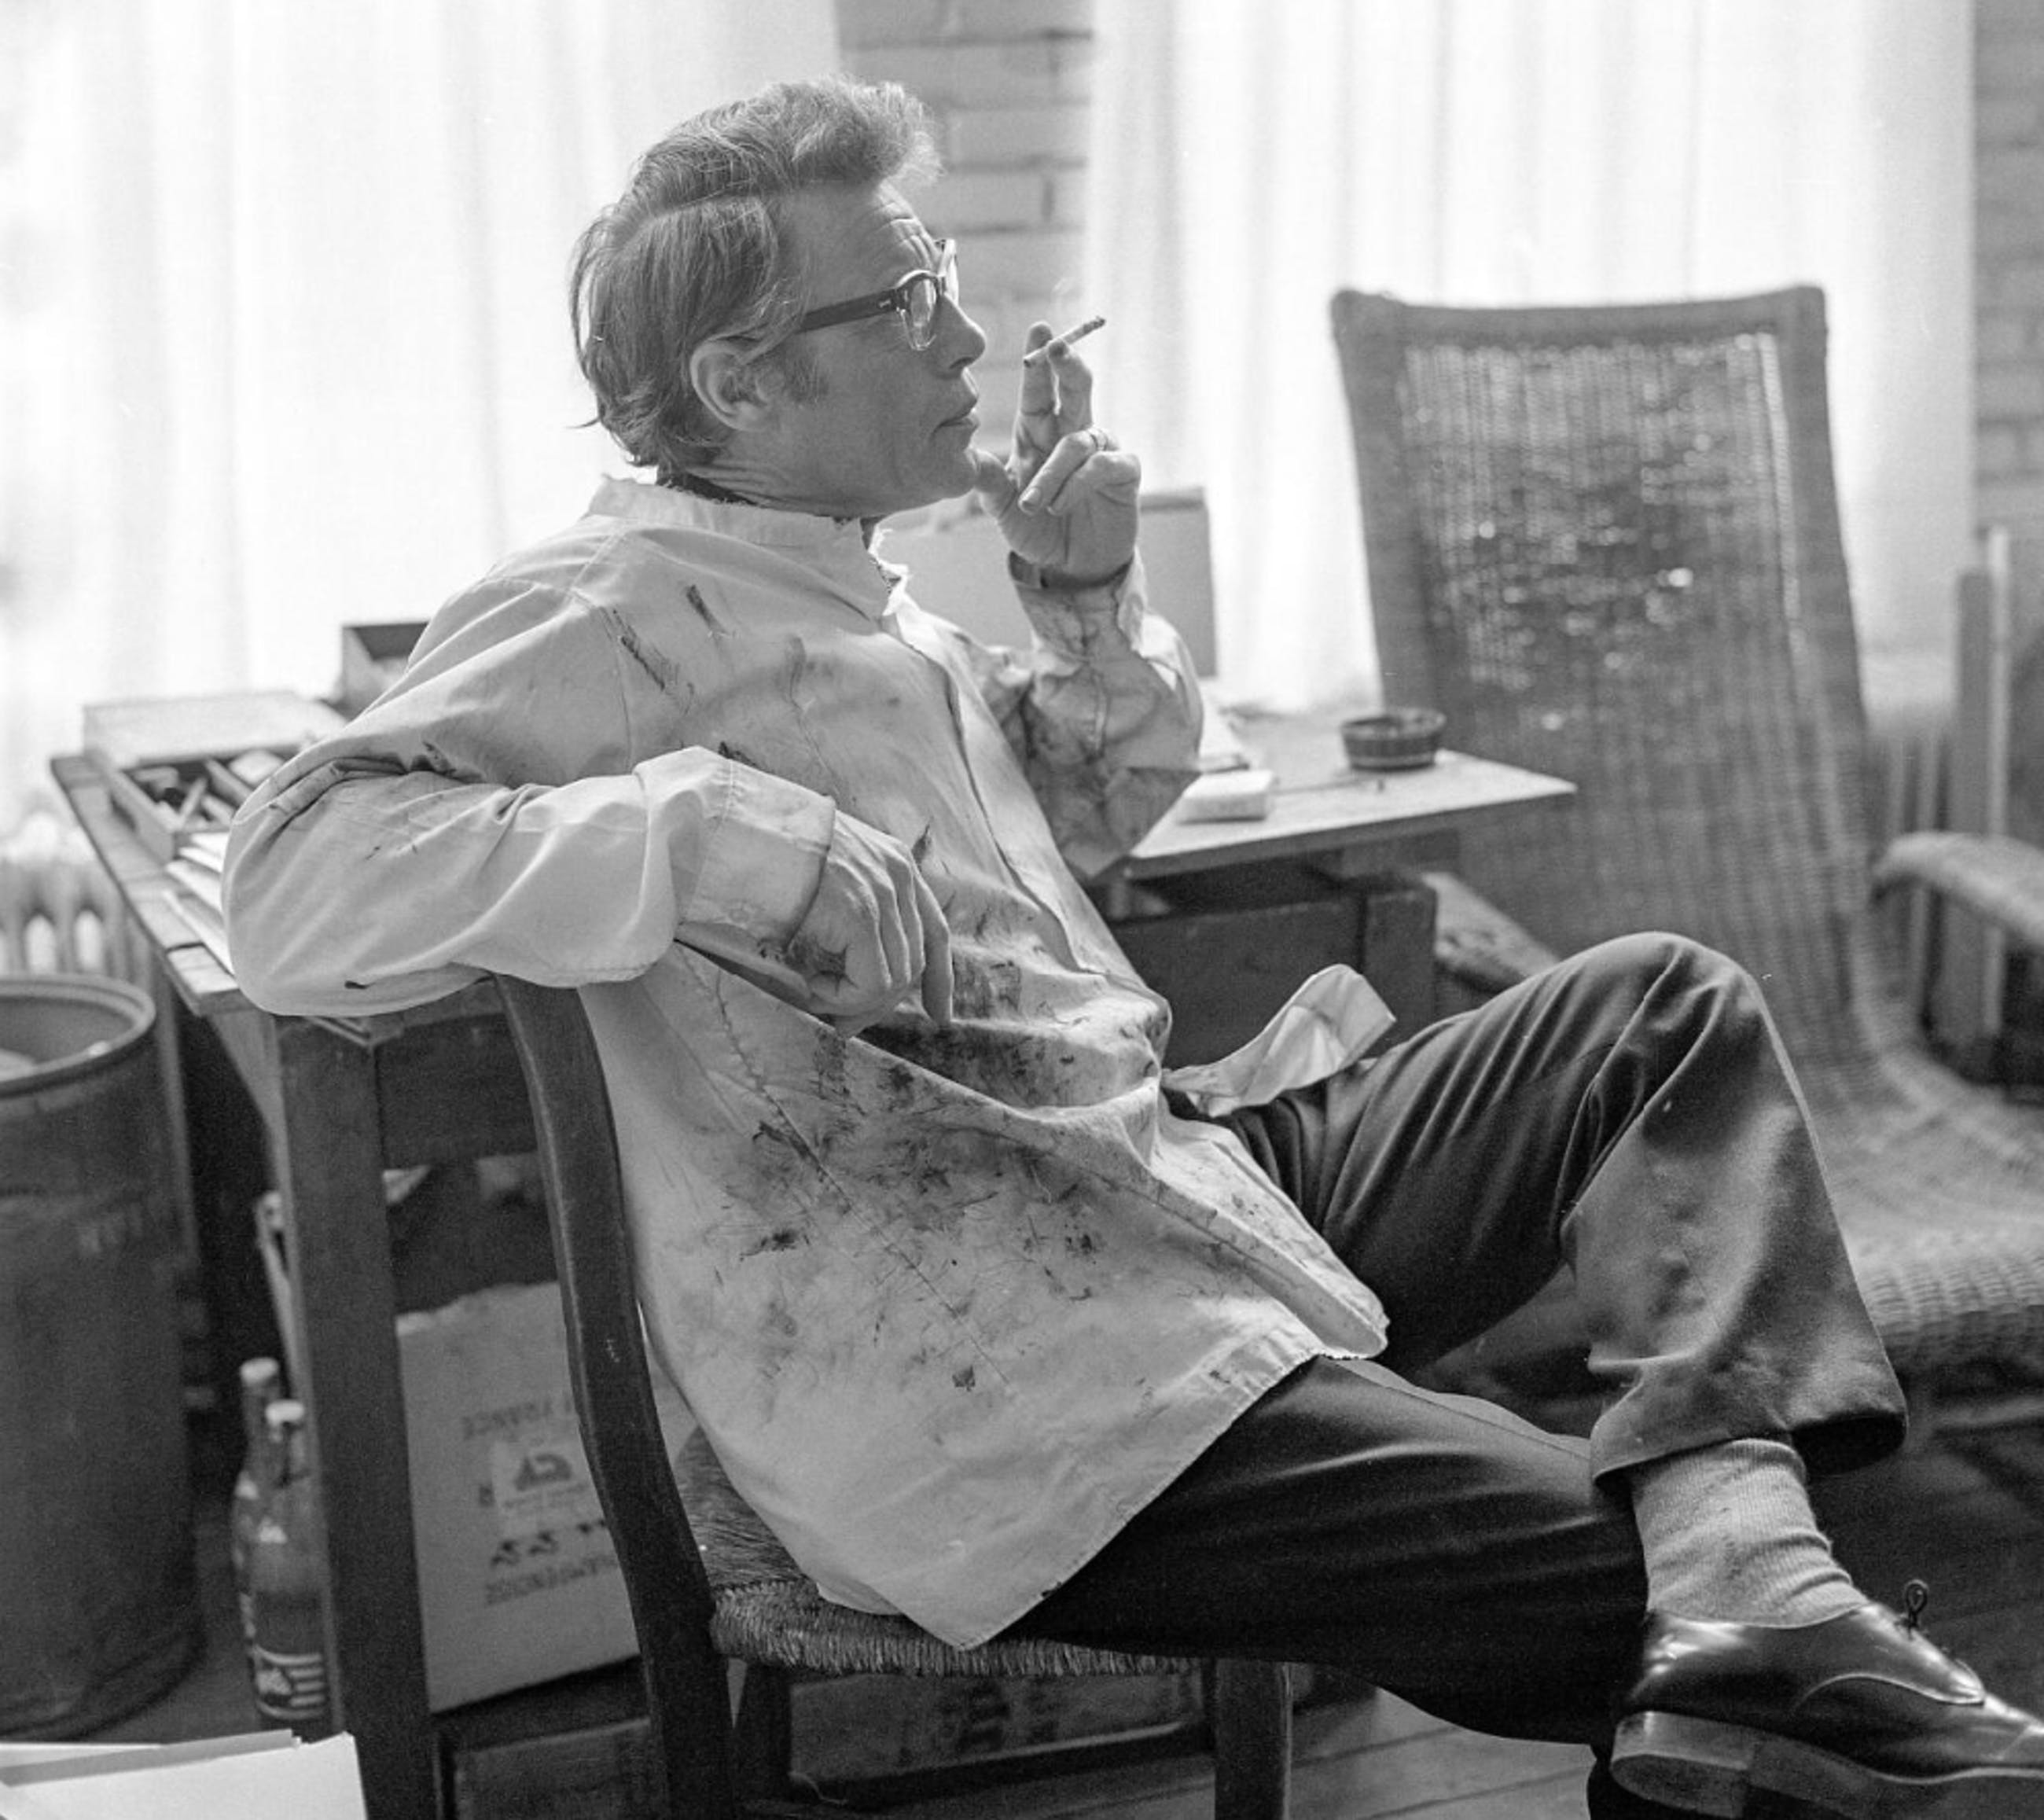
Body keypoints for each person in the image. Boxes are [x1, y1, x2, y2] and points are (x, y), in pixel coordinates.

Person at [222, 75, 2044, 1819]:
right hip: (999, 1387)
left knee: (1656, 1010)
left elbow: (1057, 847)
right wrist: (691, 829)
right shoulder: (597, 611)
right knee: (1657, 1618)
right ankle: (1755, 1617)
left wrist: (1084, 602)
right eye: (908, 299)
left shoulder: (852, 600)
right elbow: (287, 887)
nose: (964, 336)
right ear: (739, 383)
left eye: (945, 279)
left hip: (1155, 1198)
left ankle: (1747, 1566)